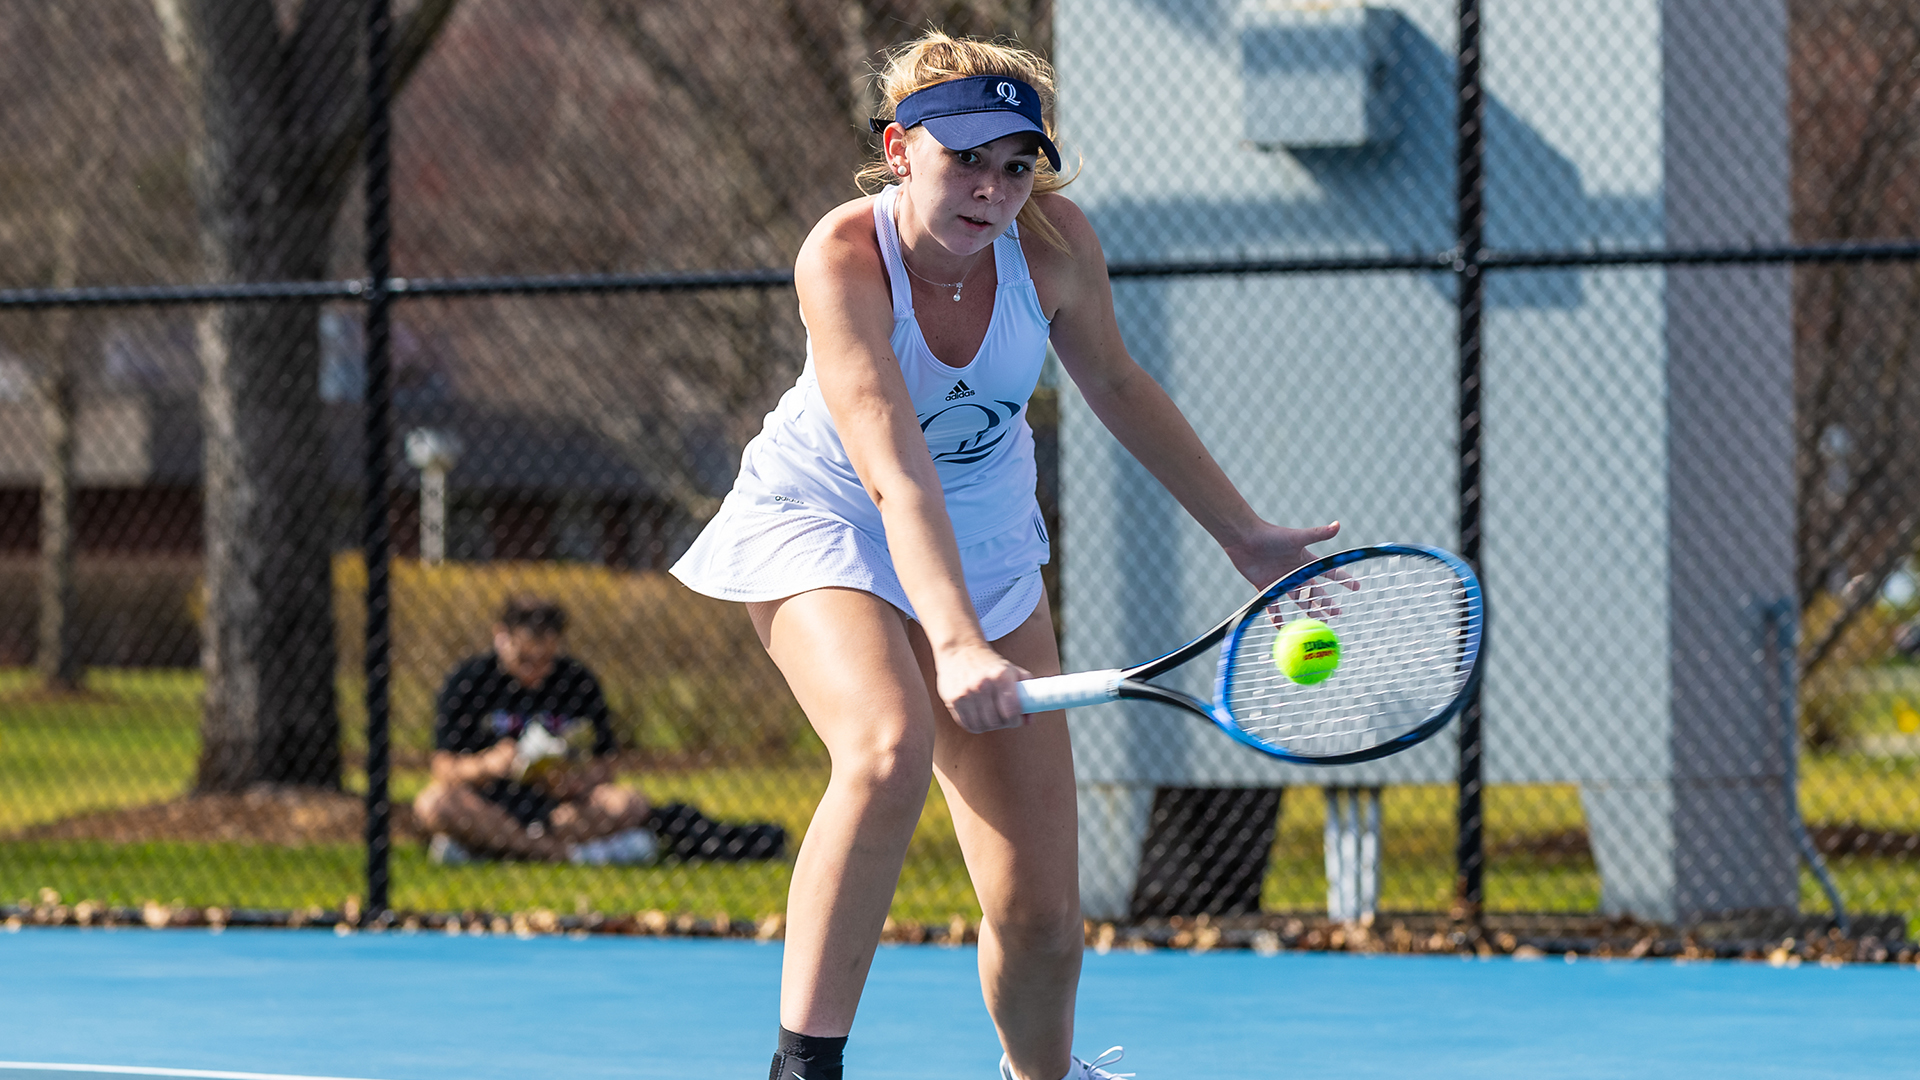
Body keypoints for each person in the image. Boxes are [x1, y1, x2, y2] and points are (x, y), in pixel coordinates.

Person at [670, 32, 1340, 1080]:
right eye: (966, 160)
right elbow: (893, 470)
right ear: (900, 151)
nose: (993, 188)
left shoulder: (1055, 246)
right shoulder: (843, 258)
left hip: (985, 547)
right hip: (827, 521)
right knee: (886, 748)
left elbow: (1114, 383)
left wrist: (1243, 532)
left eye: (1017, 165)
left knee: (1040, 915)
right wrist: (953, 644)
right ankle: (802, 1072)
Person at [414, 595, 786, 866]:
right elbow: (443, 768)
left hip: (560, 811)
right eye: (524, 659)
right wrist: (489, 765)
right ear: (501, 637)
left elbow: (607, 764)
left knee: (629, 802)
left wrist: (574, 781)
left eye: (545, 660)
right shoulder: (468, 680)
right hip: (492, 803)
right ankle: (560, 855)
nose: (535, 672)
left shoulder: (577, 680)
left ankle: (490, 849)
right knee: (434, 804)